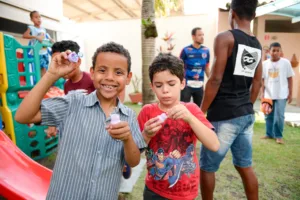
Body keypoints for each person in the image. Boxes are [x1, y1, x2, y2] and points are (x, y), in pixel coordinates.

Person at [15, 42, 146, 200]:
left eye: (118, 72)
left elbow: (133, 161)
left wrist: (127, 139)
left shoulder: (129, 116)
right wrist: (51, 75)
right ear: (92, 73)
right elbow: (22, 116)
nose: (109, 77)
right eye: (102, 70)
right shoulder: (73, 102)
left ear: (128, 78)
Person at [200, 0, 262, 199]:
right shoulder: (257, 44)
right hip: (245, 114)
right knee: (245, 166)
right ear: (253, 15)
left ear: (232, 13)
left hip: (223, 115)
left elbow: (215, 79)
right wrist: (245, 106)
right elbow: (258, 83)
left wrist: (200, 112)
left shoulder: (225, 38)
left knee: (207, 167)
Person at [138, 53, 219, 200]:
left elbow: (214, 145)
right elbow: (135, 153)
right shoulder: (147, 112)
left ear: (182, 83)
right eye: (158, 85)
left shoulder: (192, 110)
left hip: (185, 192)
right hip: (154, 190)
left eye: (171, 83)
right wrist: (146, 135)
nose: (165, 90)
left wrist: (190, 118)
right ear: (152, 87)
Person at [261, 42, 294, 144]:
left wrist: (290, 93)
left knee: (279, 116)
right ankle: (269, 134)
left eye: (277, 50)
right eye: (273, 50)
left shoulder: (286, 63)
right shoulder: (264, 64)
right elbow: (262, 79)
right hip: (268, 94)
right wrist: (262, 93)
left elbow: (290, 78)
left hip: (281, 94)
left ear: (281, 52)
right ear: (269, 52)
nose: (275, 52)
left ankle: (278, 136)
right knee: (268, 115)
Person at [180, 27, 210, 107]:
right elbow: (180, 67)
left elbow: (206, 67)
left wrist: (210, 81)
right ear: (193, 37)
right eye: (199, 35)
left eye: (203, 35)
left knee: (199, 111)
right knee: (183, 108)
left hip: (199, 86)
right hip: (187, 85)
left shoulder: (206, 50)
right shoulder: (186, 50)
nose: (202, 37)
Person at [23, 11, 54, 77]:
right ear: (32, 19)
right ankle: (42, 84)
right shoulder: (31, 28)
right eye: (36, 17)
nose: (38, 19)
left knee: (45, 68)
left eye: (39, 17)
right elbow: (25, 35)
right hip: (37, 52)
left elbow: (45, 37)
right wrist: (36, 37)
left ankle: (44, 84)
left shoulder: (43, 29)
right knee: (40, 69)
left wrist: (50, 39)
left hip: (44, 52)